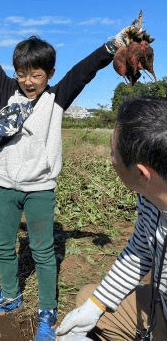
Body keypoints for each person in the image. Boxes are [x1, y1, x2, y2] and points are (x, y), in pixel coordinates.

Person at [0, 18, 142, 340]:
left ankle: (47, 309)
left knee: (42, 251)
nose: (28, 81)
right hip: (6, 188)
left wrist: (114, 44)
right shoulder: (5, 92)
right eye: (22, 74)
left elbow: (86, 69)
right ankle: (10, 296)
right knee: (2, 245)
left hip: (40, 190)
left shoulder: (56, 99)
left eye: (36, 75)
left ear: (50, 75)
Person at [56, 96, 166, 341]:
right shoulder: (151, 196)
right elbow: (140, 250)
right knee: (88, 297)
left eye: (113, 153)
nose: (110, 159)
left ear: (141, 173)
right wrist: (96, 305)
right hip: (162, 302)